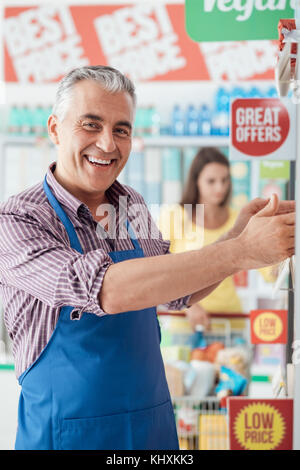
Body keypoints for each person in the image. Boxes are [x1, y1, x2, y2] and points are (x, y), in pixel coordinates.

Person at [0, 66, 295, 451]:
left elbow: (176, 294)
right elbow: (104, 289)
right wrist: (239, 250)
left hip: (151, 429)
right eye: (91, 125)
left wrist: (237, 235)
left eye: (121, 129)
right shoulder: (19, 219)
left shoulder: (129, 204)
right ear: (55, 129)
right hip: (68, 437)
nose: (107, 144)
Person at [159, 147, 277, 330]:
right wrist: (190, 306)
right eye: (211, 181)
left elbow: (269, 270)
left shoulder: (238, 218)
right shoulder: (174, 216)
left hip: (230, 319)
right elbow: (159, 269)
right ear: (196, 181)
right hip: (185, 323)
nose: (220, 188)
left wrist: (283, 255)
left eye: (224, 180)